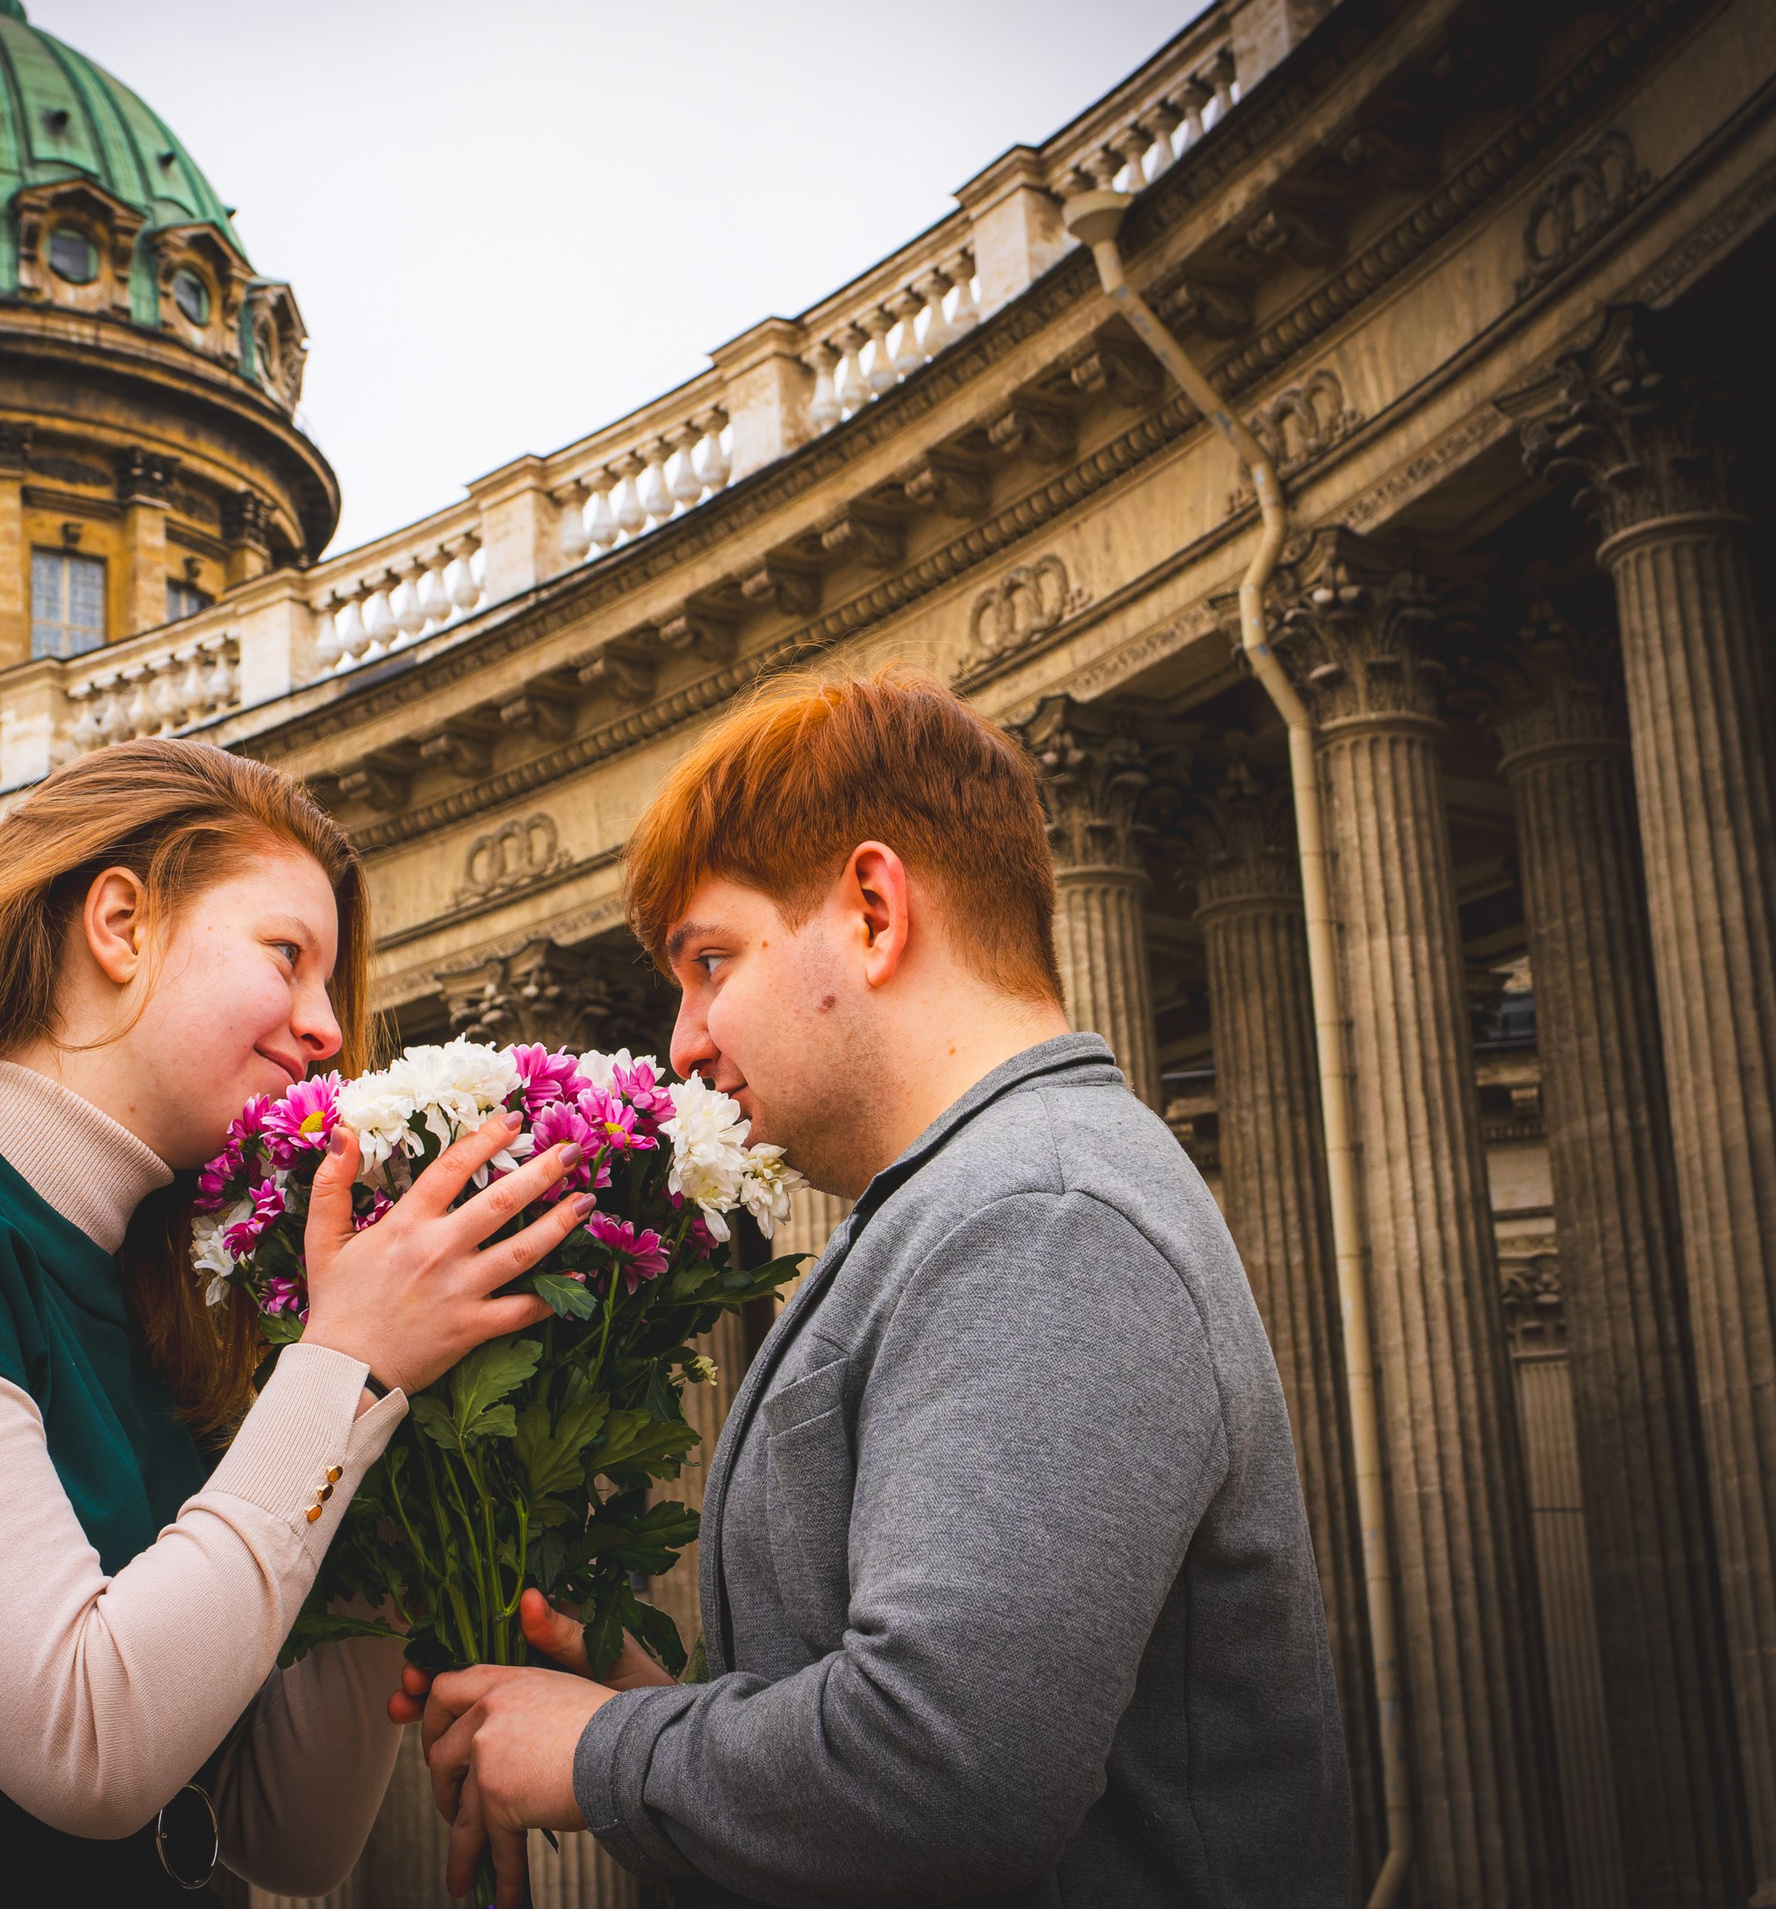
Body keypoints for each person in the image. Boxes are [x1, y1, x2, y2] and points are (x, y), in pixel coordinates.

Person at [404, 670, 1352, 1907]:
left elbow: (948, 1771)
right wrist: (654, 1716)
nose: (682, 1040)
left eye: (710, 960)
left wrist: (599, 1754)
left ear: (870, 908)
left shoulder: (1038, 1215)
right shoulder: (985, 1197)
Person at [0, 738, 596, 1905]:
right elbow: (88, 1743)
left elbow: (285, 1834)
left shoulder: (161, 1307)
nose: (325, 1032)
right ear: (118, 922)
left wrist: (398, 1459)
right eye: (286, 955)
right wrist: (345, 1367)